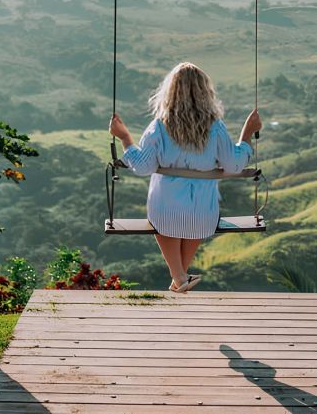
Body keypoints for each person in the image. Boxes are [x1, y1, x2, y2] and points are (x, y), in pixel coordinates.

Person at [109, 62, 262, 293]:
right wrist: (247, 134)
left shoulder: (160, 126)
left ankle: (179, 277)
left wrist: (124, 138)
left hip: (164, 210)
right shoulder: (215, 127)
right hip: (203, 212)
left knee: (167, 222)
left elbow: (142, 166)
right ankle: (179, 278)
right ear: (204, 91)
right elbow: (233, 164)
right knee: (192, 222)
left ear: (170, 91)